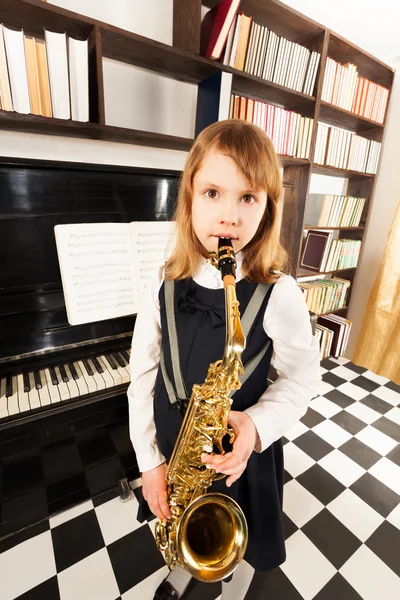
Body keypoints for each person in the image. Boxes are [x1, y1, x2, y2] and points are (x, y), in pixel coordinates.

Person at [127, 119, 321, 600]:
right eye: (213, 193)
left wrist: (256, 426)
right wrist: (149, 462)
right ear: (189, 196)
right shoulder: (162, 282)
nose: (228, 217)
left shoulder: (281, 293)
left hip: (240, 454)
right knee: (179, 522)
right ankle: (181, 561)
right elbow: (142, 377)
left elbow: (301, 380)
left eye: (248, 198)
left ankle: (235, 585)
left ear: (267, 209)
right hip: (177, 448)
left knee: (241, 540)